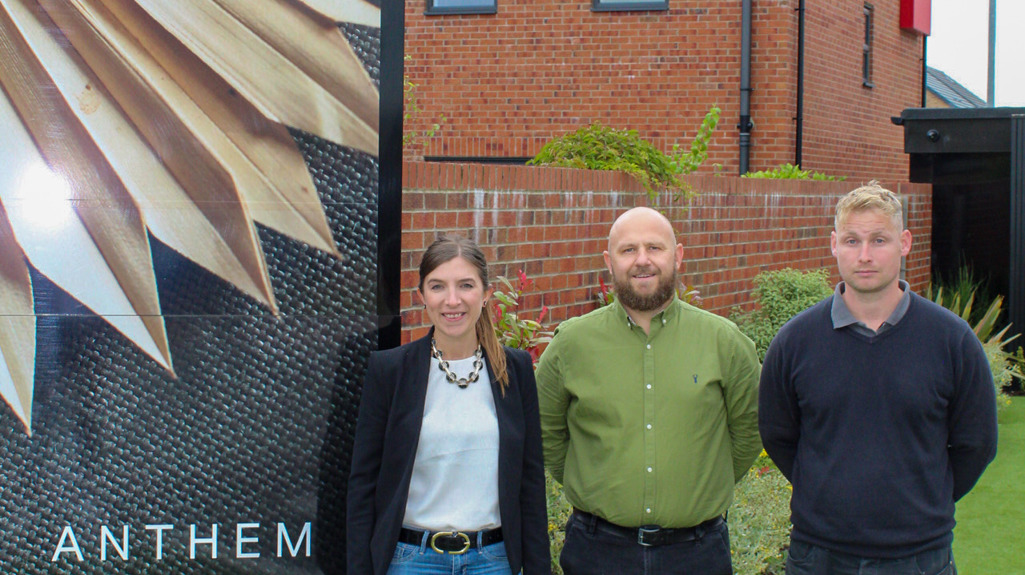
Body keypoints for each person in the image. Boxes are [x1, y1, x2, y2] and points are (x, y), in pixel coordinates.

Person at [759, 182, 999, 574]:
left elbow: (977, 443)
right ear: (834, 244)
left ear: (904, 242)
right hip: (818, 556)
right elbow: (779, 436)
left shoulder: (952, 340)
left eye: (879, 240)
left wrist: (923, 500)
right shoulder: (795, 341)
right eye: (852, 241)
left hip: (920, 557)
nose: (865, 255)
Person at [535, 206, 762, 575]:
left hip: (697, 554)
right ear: (609, 261)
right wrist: (595, 479)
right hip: (597, 552)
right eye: (628, 250)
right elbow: (547, 433)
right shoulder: (570, 344)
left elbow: (749, 432)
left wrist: (697, 483)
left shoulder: (725, 342)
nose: (643, 260)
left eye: (655, 248)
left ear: (679, 255)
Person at [347, 235, 550, 574]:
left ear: (486, 294)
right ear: (422, 296)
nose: (452, 300)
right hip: (411, 562)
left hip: (494, 562)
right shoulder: (390, 371)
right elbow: (363, 484)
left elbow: (530, 484)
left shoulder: (514, 371)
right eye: (438, 286)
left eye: (465, 285)